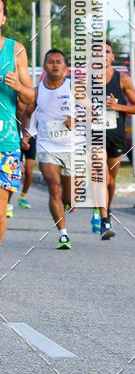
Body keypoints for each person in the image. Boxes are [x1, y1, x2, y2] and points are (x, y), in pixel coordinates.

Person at [94, 40, 135, 240]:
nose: (103, 55)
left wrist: (117, 107)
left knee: (111, 181)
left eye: (107, 52)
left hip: (116, 136)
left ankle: (107, 208)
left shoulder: (122, 80)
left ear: (112, 57)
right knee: (102, 176)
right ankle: (104, 220)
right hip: (94, 136)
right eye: (99, 52)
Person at [30, 49, 76, 249]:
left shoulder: (75, 88)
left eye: (59, 62)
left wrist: (76, 120)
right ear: (44, 66)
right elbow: (25, 114)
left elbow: (92, 113)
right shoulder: (37, 91)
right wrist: (27, 133)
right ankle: (63, 234)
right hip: (47, 145)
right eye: (51, 62)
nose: (55, 65)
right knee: (53, 187)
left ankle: (69, 199)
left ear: (65, 67)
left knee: (70, 195)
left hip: (72, 146)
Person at [0, 0, 35, 244]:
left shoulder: (16, 50)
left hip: (6, 142)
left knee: (1, 210)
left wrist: (18, 86)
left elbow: (32, 94)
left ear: (2, 18)